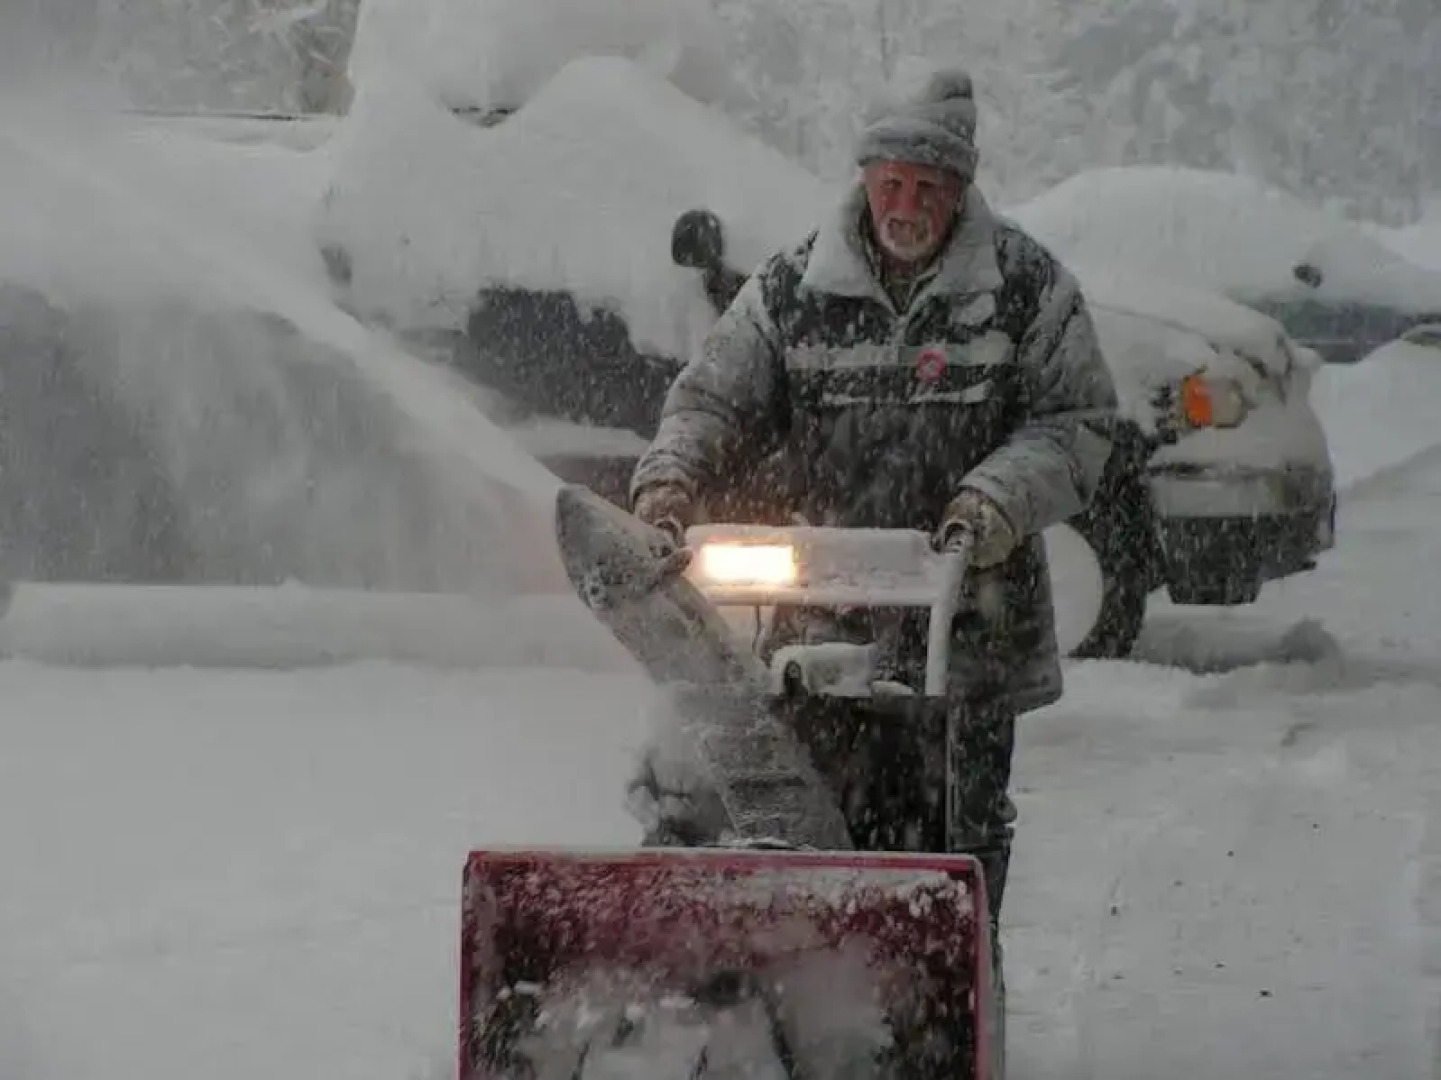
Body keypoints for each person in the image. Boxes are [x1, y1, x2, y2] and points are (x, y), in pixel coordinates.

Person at [624, 66, 1119, 923]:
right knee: (801, 810)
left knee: (956, 824)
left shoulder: (1024, 289)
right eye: (891, 183)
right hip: (819, 606)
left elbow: (1075, 423)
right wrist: (671, 479)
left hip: (969, 614)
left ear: (959, 188)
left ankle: (960, 973)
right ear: (864, 178)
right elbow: (711, 399)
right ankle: (816, 973)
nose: (905, 206)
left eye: (926, 188)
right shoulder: (791, 292)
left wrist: (991, 503)